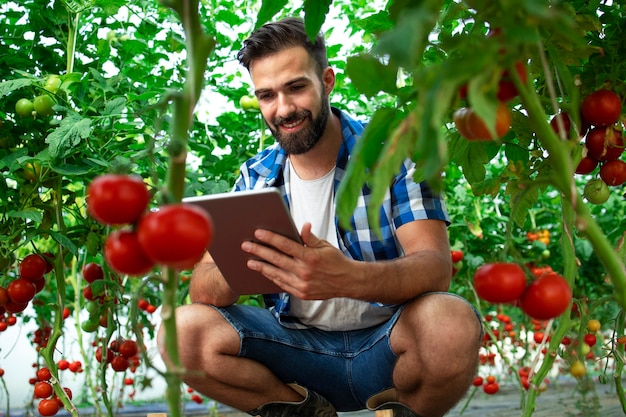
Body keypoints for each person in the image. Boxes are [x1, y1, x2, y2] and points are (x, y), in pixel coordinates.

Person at [159, 16, 482, 417]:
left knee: (450, 322)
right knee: (181, 330)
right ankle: (306, 410)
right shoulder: (255, 176)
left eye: (296, 87)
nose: (283, 108)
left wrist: (347, 277)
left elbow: (435, 268)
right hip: (297, 352)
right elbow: (204, 292)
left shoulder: (396, 154)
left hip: (389, 347)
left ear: (326, 81)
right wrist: (245, 260)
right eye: (267, 95)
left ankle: (403, 410)